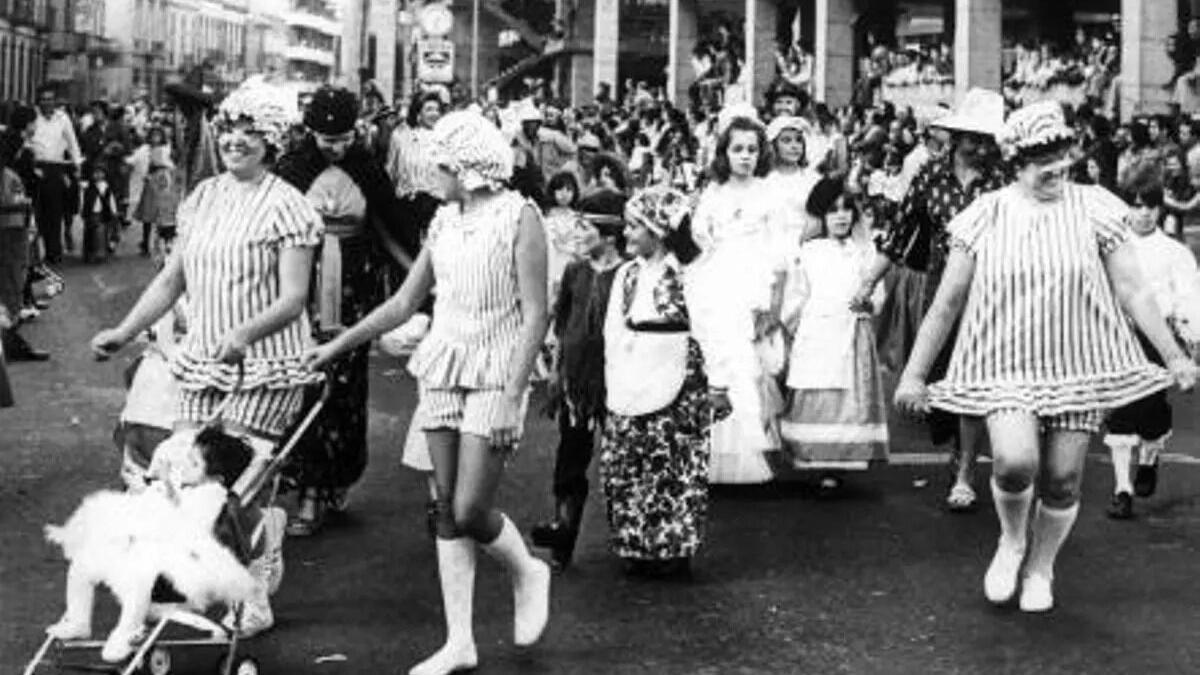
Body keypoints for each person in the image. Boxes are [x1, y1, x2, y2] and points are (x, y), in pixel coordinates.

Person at [895, 101, 1199, 613]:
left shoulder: (1097, 207)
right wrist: (914, 376)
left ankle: (1042, 565)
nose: (1057, 166)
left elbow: (1134, 290)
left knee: (1061, 479)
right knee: (1015, 463)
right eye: (1042, 159)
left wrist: (1174, 356)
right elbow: (947, 303)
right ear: (1016, 162)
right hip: (1006, 360)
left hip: (1080, 361)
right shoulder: (985, 214)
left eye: (1062, 153)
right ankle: (1012, 540)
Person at [303, 110, 551, 675]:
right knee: (444, 508)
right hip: (442, 365)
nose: (429, 176)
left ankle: (526, 570)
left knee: (469, 508)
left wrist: (513, 394)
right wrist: (336, 346)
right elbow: (402, 304)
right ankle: (458, 642)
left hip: (496, 368)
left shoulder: (520, 216)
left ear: (464, 166)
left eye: (438, 165)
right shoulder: (442, 221)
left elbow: (536, 314)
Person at [90, 78, 325, 637]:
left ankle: (254, 584)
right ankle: (203, 573)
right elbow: (172, 279)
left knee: (229, 479)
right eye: (229, 129)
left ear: (272, 140)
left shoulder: (289, 206)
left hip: (265, 365)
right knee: (177, 474)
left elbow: (294, 298)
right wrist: (124, 331)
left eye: (250, 132)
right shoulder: (202, 197)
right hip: (201, 360)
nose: (235, 140)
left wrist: (245, 332)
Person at [853, 88, 1007, 512]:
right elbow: (901, 234)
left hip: (991, 285)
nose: (979, 147)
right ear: (955, 137)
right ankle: (957, 444)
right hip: (940, 282)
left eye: (986, 139)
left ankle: (965, 470)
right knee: (938, 374)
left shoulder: (1002, 178)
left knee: (973, 375)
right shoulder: (930, 175)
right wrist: (868, 282)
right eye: (972, 137)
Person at [275, 86, 419, 537]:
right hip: (302, 288)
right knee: (301, 381)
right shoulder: (292, 168)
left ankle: (333, 479)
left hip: (355, 290)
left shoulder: (367, 167)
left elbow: (391, 226)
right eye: (324, 140)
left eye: (341, 141)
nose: (334, 149)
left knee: (346, 387)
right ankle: (307, 486)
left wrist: (420, 275)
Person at [600, 185, 722, 578]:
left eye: (636, 226)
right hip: (632, 370)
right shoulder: (627, 274)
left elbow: (711, 328)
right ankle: (635, 543)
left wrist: (718, 382)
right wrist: (614, 374)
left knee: (673, 463)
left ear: (659, 229)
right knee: (628, 459)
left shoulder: (690, 274)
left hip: (677, 374)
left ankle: (672, 547)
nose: (628, 234)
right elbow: (613, 329)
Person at [532, 189, 627, 570]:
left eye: (585, 225)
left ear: (608, 234)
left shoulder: (627, 273)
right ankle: (564, 532)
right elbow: (563, 319)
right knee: (571, 458)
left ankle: (631, 536)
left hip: (617, 381)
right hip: (577, 382)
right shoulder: (575, 270)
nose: (576, 231)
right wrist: (557, 371)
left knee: (620, 460)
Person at [687, 107, 782, 485]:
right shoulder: (714, 192)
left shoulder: (767, 192)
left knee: (748, 365)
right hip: (717, 279)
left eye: (752, 149)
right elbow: (700, 234)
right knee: (717, 360)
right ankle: (714, 454)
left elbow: (777, 251)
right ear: (724, 153)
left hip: (753, 280)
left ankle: (746, 453)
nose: (745, 156)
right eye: (738, 149)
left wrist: (771, 301)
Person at [780, 179, 888, 486]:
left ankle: (838, 465)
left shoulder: (863, 251)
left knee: (848, 400)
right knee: (819, 395)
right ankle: (815, 458)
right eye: (832, 211)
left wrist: (868, 303)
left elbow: (876, 290)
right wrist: (797, 326)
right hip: (818, 331)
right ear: (820, 216)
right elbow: (796, 296)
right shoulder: (808, 252)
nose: (840, 217)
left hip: (852, 332)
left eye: (845, 210)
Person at [1103, 186, 1200, 519]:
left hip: (1159, 337)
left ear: (1160, 210)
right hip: (1118, 335)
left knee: (1151, 409)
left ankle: (1147, 460)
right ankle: (1121, 489)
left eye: (1150, 206)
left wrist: (1191, 338)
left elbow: (1189, 295)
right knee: (1120, 410)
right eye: (1136, 205)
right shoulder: (1112, 248)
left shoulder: (1174, 252)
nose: (1143, 213)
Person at [29, 84, 83, 264]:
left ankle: (54, 251)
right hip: (35, 167)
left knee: (54, 211)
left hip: (55, 168)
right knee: (36, 212)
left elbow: (72, 142)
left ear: (55, 101)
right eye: (44, 99)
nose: (47, 103)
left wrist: (76, 164)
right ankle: (36, 253)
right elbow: (26, 139)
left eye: (50, 99)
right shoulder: (33, 117)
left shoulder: (63, 118)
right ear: (39, 101)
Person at [127, 125, 177, 257]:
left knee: (163, 212)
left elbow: (170, 163)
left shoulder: (166, 148)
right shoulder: (145, 149)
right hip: (151, 181)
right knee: (148, 213)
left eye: (158, 135)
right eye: (153, 135)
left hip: (163, 181)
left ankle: (166, 242)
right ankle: (145, 242)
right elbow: (134, 159)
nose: (156, 138)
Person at [80, 163, 119, 263]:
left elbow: (111, 200)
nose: (98, 175)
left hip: (102, 214)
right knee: (89, 234)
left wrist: (114, 212)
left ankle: (100, 254)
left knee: (101, 234)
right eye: (95, 173)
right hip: (90, 213)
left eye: (100, 173)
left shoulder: (106, 187)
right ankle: (89, 254)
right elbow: (84, 201)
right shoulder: (88, 187)